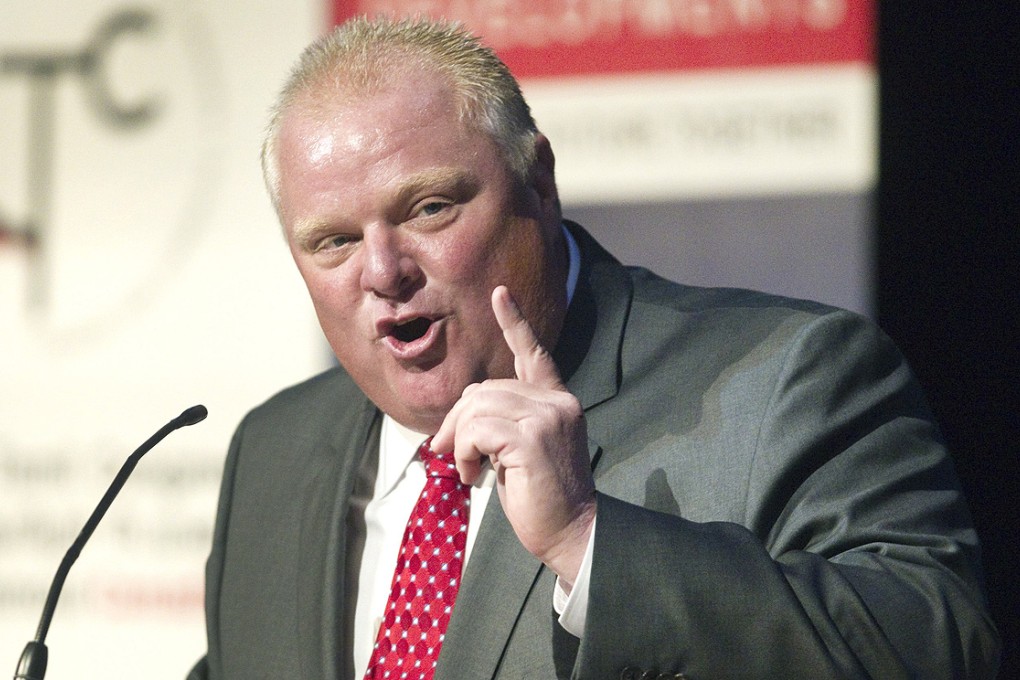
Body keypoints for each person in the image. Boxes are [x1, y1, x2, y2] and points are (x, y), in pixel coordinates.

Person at [189, 16, 1000, 680]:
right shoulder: (276, 449)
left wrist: (588, 540)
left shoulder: (790, 378)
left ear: (537, 180)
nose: (382, 271)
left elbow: (936, 647)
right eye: (331, 242)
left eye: (429, 208)